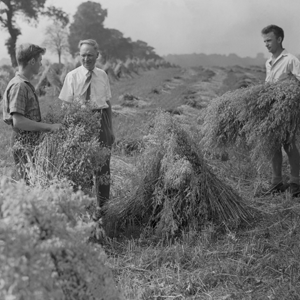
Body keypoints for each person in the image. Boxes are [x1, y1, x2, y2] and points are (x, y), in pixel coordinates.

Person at [59, 39, 114, 208]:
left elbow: (108, 103)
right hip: (81, 123)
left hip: (101, 121)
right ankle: (86, 208)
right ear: (79, 56)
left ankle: (103, 209)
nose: (86, 59)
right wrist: (69, 131)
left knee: (103, 167)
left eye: (90, 55)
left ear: (97, 55)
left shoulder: (103, 75)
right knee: (83, 167)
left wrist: (110, 130)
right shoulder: (72, 76)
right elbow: (65, 106)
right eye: (83, 55)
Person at [3, 44, 61, 180]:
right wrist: (49, 127)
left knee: (34, 181)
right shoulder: (19, 86)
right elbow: (19, 122)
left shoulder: (23, 83)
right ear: (32, 61)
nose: (41, 64)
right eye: (40, 60)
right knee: (30, 183)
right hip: (23, 142)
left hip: (28, 142)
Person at [261, 25, 300, 197]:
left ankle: (296, 183)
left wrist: (289, 83)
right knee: (273, 145)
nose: (266, 44)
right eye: (264, 41)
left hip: (287, 109)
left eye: (269, 40)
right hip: (272, 110)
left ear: (279, 39)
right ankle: (276, 182)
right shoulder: (268, 63)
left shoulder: (290, 60)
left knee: (289, 145)